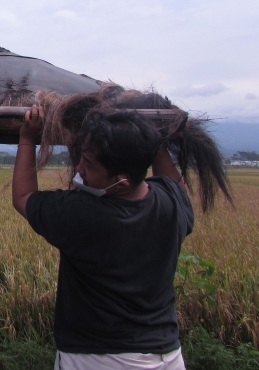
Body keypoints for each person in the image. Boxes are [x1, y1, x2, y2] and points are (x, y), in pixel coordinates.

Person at [12, 105, 193, 370]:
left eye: (90, 165)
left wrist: (27, 138)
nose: (80, 168)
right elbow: (172, 181)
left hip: (99, 359)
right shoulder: (171, 202)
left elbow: (23, 198)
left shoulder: (85, 215)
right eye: (83, 158)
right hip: (167, 356)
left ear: (122, 181)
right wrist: (150, 138)